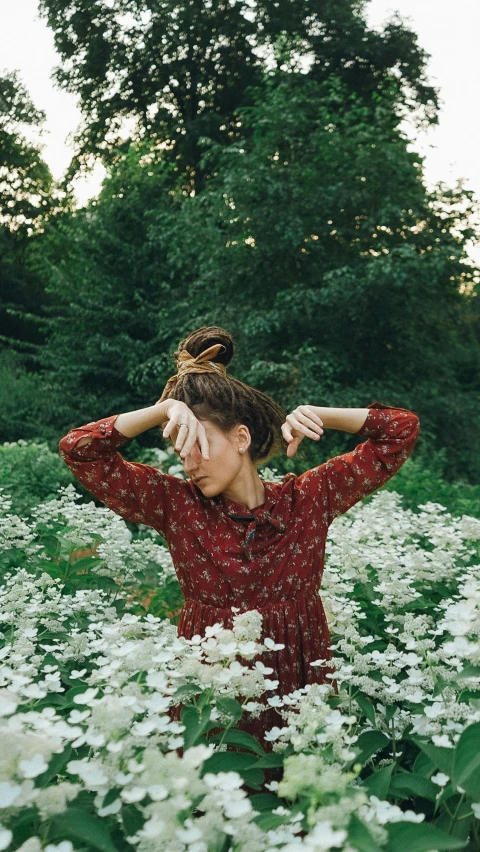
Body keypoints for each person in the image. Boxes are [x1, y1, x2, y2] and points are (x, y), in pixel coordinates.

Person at [58, 325, 420, 769]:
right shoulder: (175, 505)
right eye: (178, 449)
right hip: (215, 690)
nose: (187, 462)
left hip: (299, 682)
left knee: (301, 807)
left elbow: (401, 430)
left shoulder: (307, 499)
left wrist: (321, 412)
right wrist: (162, 411)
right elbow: (78, 450)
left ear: (241, 438)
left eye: (197, 444)